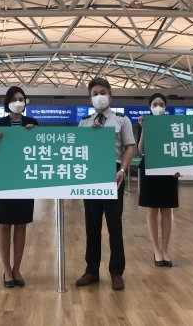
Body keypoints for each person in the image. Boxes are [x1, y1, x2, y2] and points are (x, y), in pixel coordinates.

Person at [75, 77, 135, 291]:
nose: (99, 96)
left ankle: (116, 272)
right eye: (94, 94)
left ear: (110, 96)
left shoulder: (121, 120)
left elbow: (129, 147)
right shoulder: (84, 122)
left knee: (114, 225)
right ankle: (91, 270)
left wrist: (122, 171)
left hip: (113, 174)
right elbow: (77, 150)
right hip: (91, 175)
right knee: (91, 225)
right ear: (89, 99)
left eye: (102, 92)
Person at [0, 87, 38, 288]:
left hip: (25, 177)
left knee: (21, 224)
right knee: (4, 224)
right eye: (14, 99)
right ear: (7, 102)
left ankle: (17, 269)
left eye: (21, 99)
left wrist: (34, 134)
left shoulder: (32, 123)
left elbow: (38, 150)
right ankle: (6, 270)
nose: (18, 102)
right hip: (4, 177)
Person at [137, 93, 181, 267]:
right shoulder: (144, 123)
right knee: (152, 209)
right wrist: (144, 128)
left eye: (161, 104)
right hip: (150, 169)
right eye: (155, 104)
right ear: (149, 107)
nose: (158, 107)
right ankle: (156, 249)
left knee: (167, 210)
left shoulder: (172, 124)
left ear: (165, 107)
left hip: (168, 170)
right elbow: (142, 150)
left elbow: (178, 147)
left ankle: (165, 250)